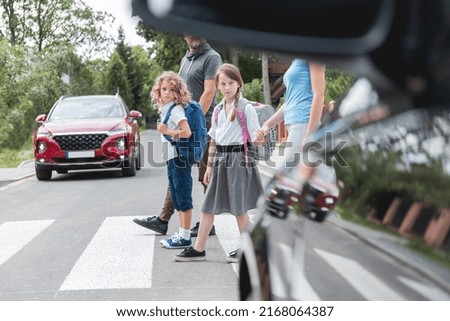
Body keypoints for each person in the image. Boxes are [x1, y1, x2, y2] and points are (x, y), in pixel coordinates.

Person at [173, 63, 264, 262]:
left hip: (238, 160)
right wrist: (210, 167)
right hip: (220, 160)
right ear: (217, 85)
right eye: (222, 83)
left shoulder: (245, 107)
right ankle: (198, 249)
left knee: (239, 209)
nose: (227, 87)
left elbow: (255, 136)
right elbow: (214, 140)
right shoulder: (218, 110)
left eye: (231, 82)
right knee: (208, 206)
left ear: (238, 83)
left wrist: (260, 137)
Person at [133, 35, 223, 236]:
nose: (194, 36)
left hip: (204, 124)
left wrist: (194, 121)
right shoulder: (186, 59)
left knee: (205, 175)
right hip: (185, 123)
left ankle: (207, 223)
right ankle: (163, 219)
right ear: (184, 35)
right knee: (178, 171)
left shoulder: (212, 57)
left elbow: (209, 92)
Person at [152, 71, 194, 248]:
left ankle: (185, 237)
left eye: (172, 89)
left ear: (178, 92)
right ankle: (182, 233)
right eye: (164, 89)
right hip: (172, 159)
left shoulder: (176, 110)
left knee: (183, 197)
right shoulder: (166, 109)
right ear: (158, 92)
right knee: (177, 197)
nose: (167, 92)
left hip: (179, 158)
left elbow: (187, 132)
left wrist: (167, 131)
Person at [259, 58, 325, 166]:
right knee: (299, 176)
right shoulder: (296, 60)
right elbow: (289, 103)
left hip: (304, 123)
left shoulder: (313, 55)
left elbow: (319, 95)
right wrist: (267, 124)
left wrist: (309, 135)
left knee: (286, 173)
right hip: (295, 125)